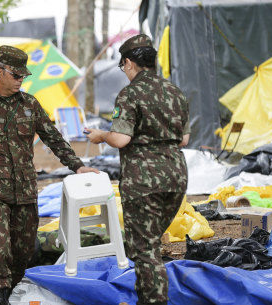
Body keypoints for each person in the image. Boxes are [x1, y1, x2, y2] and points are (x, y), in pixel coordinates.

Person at [0, 45, 99, 305]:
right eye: (16, 75)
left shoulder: (30, 105)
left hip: (25, 189)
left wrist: (77, 165)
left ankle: (9, 289)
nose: (20, 80)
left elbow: (54, 138)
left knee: (24, 249)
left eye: (23, 76)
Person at [85, 34, 190, 305]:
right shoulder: (175, 92)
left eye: (123, 66)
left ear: (129, 63)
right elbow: (184, 139)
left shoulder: (129, 94)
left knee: (145, 250)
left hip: (144, 180)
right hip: (176, 176)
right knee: (151, 244)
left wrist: (100, 136)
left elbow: (121, 138)